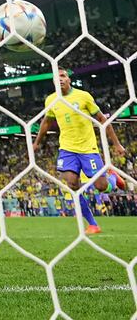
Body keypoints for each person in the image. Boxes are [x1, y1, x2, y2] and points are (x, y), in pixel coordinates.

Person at [33, 67, 126, 234]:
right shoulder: (51, 100)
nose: (60, 79)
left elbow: (102, 120)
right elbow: (46, 122)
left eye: (63, 76)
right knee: (72, 184)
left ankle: (112, 178)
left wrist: (116, 144)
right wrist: (36, 143)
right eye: (57, 77)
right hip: (67, 149)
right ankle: (92, 224)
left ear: (69, 80)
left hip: (87, 148)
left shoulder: (83, 96)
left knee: (101, 186)